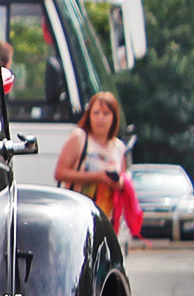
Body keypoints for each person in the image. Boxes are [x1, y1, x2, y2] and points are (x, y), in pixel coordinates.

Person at [56, 90, 138, 240]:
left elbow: (122, 180)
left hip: (105, 220)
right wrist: (97, 177)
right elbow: (60, 173)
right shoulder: (79, 138)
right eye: (96, 113)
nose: (100, 118)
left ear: (114, 117)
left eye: (106, 113)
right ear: (89, 115)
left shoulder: (119, 147)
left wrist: (118, 182)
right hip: (76, 216)